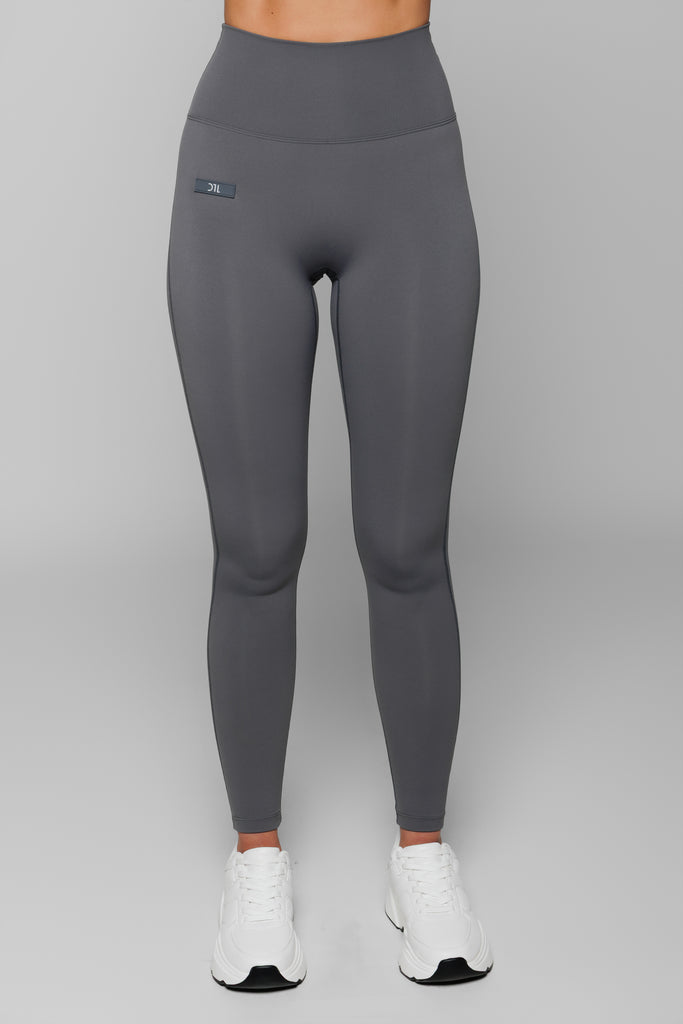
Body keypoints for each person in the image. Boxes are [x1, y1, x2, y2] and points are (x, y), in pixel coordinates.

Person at [166, 0, 493, 990]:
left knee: (407, 544)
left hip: (407, 152)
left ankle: (421, 853)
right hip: (243, 150)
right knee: (254, 547)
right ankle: (255, 859)